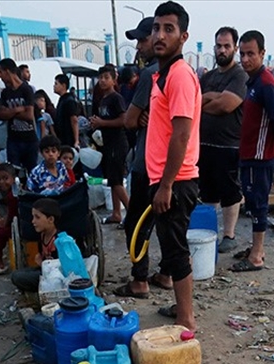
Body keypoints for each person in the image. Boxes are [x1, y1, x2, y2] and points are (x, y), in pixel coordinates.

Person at [143, 1, 201, 330]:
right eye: (156, 28)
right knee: (172, 248)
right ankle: (181, 310)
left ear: (183, 36)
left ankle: (186, 320)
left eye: (169, 29)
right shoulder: (161, 75)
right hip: (166, 178)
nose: (160, 35)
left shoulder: (178, 75)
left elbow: (181, 135)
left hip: (175, 181)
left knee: (176, 252)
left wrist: (166, 185)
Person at [114, 15, 166, 299]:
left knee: (136, 223)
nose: (138, 47)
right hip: (170, 164)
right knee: (167, 224)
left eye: (141, 40)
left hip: (147, 162)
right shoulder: (183, 72)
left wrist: (140, 117)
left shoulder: (150, 75)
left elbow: (130, 120)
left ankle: (139, 280)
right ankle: (167, 274)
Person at [232, 30, 274, 272]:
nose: (245, 59)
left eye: (250, 54)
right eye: (242, 54)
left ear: (262, 54)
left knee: (257, 203)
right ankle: (257, 248)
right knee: (253, 202)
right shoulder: (252, 82)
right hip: (249, 153)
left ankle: (256, 256)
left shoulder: (265, 84)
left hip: (259, 156)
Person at [197, 26, 249, 254]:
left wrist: (206, 100)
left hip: (229, 144)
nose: (222, 50)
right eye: (219, 45)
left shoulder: (239, 76)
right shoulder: (208, 77)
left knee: (230, 192)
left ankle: (229, 234)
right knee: (208, 193)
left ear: (235, 48)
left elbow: (226, 105)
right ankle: (210, 232)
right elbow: (193, 103)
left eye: (227, 46)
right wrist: (210, 97)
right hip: (204, 144)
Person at [89, 65, 130, 224]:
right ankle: (116, 213)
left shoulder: (116, 98)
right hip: (107, 143)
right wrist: (96, 124)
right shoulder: (102, 99)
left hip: (118, 143)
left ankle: (132, 213)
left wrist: (102, 123)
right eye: (101, 78)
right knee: (112, 180)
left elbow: (123, 120)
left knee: (117, 181)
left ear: (114, 80)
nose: (103, 81)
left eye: (106, 77)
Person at [9, 198, 62, 293]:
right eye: (33, 217)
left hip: (56, 276)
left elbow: (59, 269)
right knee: (17, 274)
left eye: (37, 217)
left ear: (50, 219)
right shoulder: (42, 235)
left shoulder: (58, 240)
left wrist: (42, 263)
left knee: (18, 277)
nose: (33, 221)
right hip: (45, 270)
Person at [0, 58, 38, 169]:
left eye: (1, 72)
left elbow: (29, 115)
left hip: (29, 139)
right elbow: (1, 114)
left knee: (31, 172)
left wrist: (9, 112)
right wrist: (17, 110)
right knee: (13, 171)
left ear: (7, 71)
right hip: (13, 140)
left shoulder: (26, 89)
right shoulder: (5, 93)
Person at [53, 73, 83, 148]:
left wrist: (76, 140)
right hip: (62, 139)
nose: (54, 86)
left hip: (68, 139)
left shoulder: (69, 100)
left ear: (63, 85)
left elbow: (74, 120)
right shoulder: (62, 99)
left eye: (56, 84)